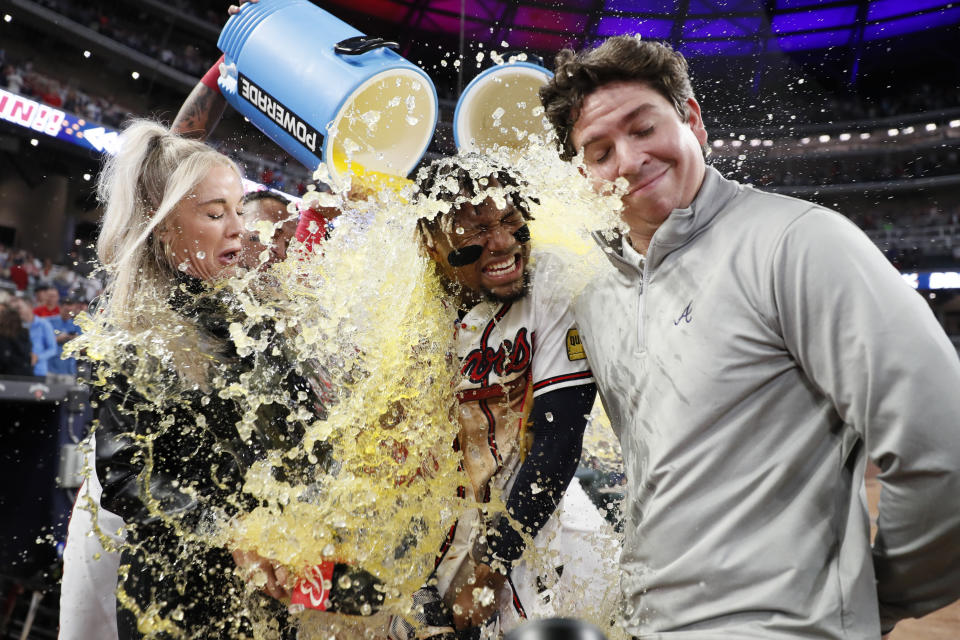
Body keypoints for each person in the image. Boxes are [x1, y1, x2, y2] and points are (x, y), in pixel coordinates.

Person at [538, 35, 960, 638]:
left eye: (642, 128)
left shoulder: (798, 242)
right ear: (584, 174)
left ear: (692, 120)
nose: (627, 160)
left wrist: (880, 599)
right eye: (600, 151)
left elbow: (942, 443)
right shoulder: (594, 289)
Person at [62, 119, 379, 640]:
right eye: (215, 214)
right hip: (176, 599)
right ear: (163, 226)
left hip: (268, 596)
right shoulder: (129, 331)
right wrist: (228, 533)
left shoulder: (260, 317)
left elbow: (309, 439)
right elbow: (126, 476)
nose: (240, 227)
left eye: (238, 208)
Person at [386, 156, 614, 640]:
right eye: (477, 230)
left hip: (525, 503)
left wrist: (491, 562)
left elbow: (558, 440)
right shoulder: (391, 300)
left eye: (512, 220)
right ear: (432, 245)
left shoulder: (552, 283)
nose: (505, 242)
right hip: (425, 519)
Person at [11, 294, 56, 376]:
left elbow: (52, 349)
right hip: (18, 371)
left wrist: (38, 357)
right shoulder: (14, 326)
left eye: (19, 308)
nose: (17, 311)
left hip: (38, 371)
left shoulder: (44, 324)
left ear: (30, 306)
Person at [0, 300, 32, 376]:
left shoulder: (4, 335)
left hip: (10, 373)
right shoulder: (25, 332)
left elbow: (4, 358)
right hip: (23, 373)